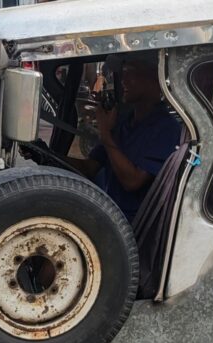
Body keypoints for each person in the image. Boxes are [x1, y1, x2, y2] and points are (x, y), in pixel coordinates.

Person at [73, 57, 181, 221]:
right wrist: (46, 156)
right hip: (109, 211)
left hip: (134, 223)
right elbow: (90, 167)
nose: (123, 80)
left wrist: (105, 134)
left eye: (130, 72)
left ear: (153, 76)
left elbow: (132, 181)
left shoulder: (167, 128)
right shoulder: (123, 122)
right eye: (122, 74)